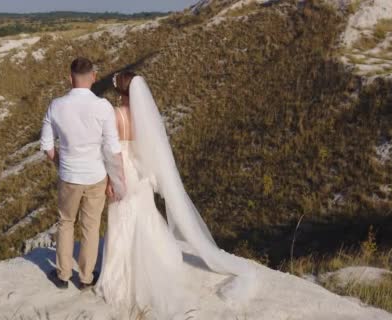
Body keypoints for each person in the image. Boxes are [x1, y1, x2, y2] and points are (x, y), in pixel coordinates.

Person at [95, 71, 257, 318]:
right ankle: (159, 262)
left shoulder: (115, 116)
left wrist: (111, 180)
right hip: (140, 173)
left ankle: (120, 279)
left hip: (123, 170)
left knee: (121, 219)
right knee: (145, 214)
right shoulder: (143, 118)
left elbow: (112, 152)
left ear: (121, 94)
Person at [40, 57, 125, 290]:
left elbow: (47, 146)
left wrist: (61, 162)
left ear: (70, 78)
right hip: (96, 175)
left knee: (66, 222)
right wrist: (118, 179)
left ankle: (63, 275)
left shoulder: (56, 105)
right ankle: (86, 278)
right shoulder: (103, 107)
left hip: (69, 175)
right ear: (94, 77)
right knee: (90, 226)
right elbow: (113, 148)